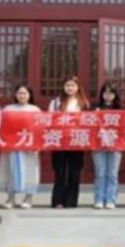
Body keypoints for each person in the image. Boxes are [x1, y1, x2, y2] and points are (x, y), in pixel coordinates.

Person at [48, 76, 89, 209]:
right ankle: (58, 200)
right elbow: (49, 119)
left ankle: (71, 201)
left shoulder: (83, 103)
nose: (70, 88)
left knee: (74, 171)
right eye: (67, 85)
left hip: (77, 140)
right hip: (59, 139)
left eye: (72, 85)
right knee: (59, 171)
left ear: (78, 88)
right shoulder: (55, 102)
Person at [5, 85, 41, 209]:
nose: (22, 96)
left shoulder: (35, 109)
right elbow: (3, 127)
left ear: (29, 95)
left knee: (30, 170)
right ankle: (10, 198)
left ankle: (28, 198)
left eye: (24, 93)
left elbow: (40, 128)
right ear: (15, 95)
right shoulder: (8, 109)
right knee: (11, 170)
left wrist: (38, 144)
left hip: (30, 144)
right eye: (19, 93)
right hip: (13, 144)